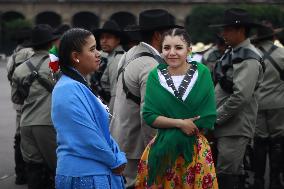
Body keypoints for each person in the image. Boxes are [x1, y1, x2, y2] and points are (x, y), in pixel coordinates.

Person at [135, 28, 218, 189]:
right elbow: (149, 116)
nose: (172, 53)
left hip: (194, 149)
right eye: (166, 48)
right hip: (162, 150)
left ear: (189, 50)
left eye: (178, 47)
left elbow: (208, 117)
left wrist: (168, 120)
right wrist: (181, 123)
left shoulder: (203, 74)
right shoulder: (154, 76)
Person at [110, 9, 182, 189]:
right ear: (158, 35)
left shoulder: (130, 53)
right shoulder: (151, 66)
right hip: (137, 146)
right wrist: (157, 150)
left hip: (121, 138)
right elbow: (149, 115)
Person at [51, 28, 127, 189]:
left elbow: (99, 131)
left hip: (94, 169)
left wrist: (117, 156)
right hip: (85, 175)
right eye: (92, 49)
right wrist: (115, 161)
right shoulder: (67, 89)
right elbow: (87, 136)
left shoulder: (78, 85)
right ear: (76, 56)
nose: (98, 53)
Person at [210, 8, 264, 189]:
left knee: (226, 173)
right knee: (231, 171)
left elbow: (241, 97)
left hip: (234, 126)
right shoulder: (234, 52)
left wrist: (214, 118)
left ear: (241, 30)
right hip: (227, 124)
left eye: (227, 29)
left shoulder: (248, 57)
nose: (223, 34)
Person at [11, 24, 59, 189]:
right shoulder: (56, 64)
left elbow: (16, 98)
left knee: (33, 166)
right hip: (48, 123)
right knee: (57, 167)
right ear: (50, 43)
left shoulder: (21, 68)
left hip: (26, 124)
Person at [251, 22, 284, 189]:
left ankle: (258, 180)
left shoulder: (252, 54)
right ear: (273, 36)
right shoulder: (282, 53)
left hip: (257, 104)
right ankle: (275, 179)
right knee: (277, 141)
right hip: (279, 104)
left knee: (259, 141)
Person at [6, 27, 34, 185]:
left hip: (20, 104)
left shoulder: (14, 57)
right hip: (39, 104)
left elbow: (11, 77)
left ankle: (20, 174)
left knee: (20, 138)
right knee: (36, 140)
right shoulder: (36, 54)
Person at [91, 20, 125, 113]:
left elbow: (115, 95)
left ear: (117, 40)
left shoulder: (118, 60)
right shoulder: (106, 57)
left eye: (108, 37)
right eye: (102, 37)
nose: (104, 41)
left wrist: (110, 119)